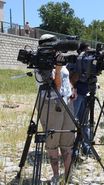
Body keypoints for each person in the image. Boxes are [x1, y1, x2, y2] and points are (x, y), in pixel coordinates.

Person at [36, 34, 75, 183]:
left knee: (67, 142)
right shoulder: (41, 63)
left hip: (66, 103)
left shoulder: (58, 59)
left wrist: (72, 89)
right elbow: (56, 87)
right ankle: (56, 176)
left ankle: (68, 176)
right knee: (53, 142)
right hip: (51, 104)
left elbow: (65, 78)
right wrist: (57, 69)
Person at [68, 42, 94, 156]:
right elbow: (71, 78)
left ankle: (86, 147)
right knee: (72, 121)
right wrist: (80, 66)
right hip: (77, 94)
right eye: (87, 51)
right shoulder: (74, 60)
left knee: (85, 122)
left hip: (87, 93)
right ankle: (72, 148)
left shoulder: (90, 61)